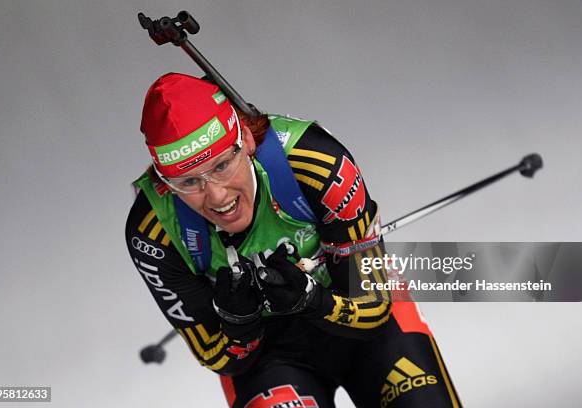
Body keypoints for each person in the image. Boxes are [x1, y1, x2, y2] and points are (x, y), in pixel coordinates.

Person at [125, 73, 461, 407]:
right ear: (165, 183)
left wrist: (311, 299)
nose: (216, 195)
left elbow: (374, 308)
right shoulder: (154, 230)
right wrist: (240, 322)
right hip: (269, 354)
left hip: (358, 314)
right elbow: (217, 356)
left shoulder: (315, 161)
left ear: (247, 140)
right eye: (188, 183)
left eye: (223, 165)